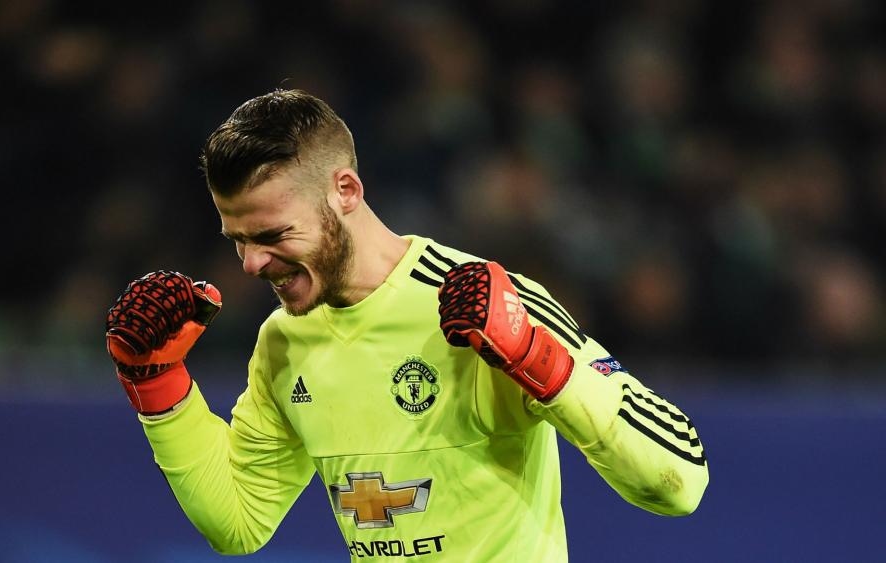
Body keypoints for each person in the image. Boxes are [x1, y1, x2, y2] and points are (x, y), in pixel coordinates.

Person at [105, 89, 708, 562]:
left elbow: (679, 481)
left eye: (272, 235)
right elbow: (239, 522)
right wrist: (158, 387)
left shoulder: (484, 303)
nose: (251, 264)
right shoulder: (284, 341)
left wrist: (534, 356)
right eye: (237, 240)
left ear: (345, 190)